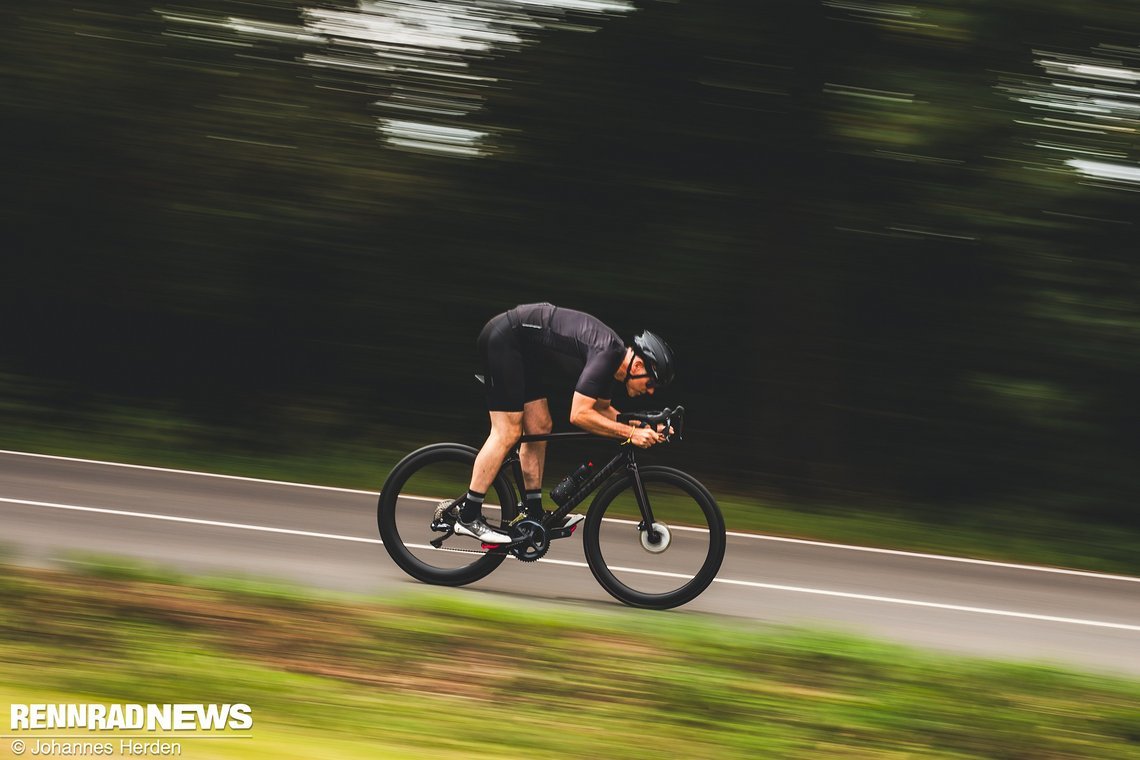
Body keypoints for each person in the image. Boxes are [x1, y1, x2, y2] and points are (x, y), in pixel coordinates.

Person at [452, 302, 676, 544]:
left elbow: (602, 410)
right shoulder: (607, 353)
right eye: (652, 383)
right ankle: (468, 515)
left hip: (523, 353)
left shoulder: (613, 362)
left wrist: (645, 427)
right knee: (507, 431)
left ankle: (533, 512)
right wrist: (631, 433)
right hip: (505, 340)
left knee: (539, 426)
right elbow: (579, 415)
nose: (651, 392)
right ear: (639, 366)